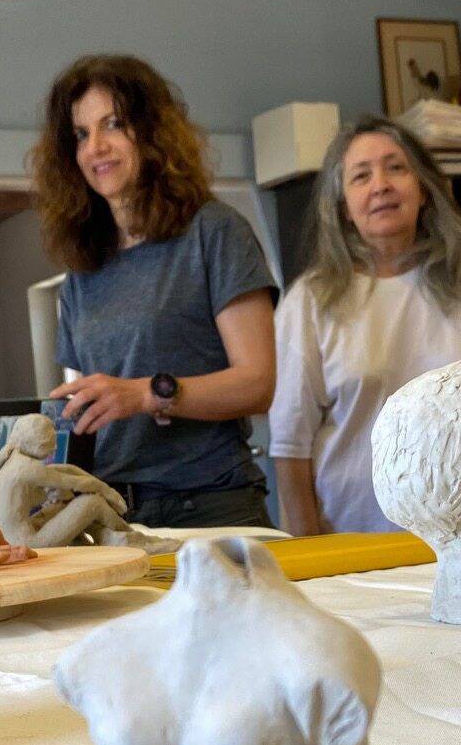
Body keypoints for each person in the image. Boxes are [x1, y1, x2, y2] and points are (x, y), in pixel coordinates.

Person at [31, 54, 278, 529]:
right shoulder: (84, 267)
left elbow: (258, 383)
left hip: (210, 504)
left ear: (153, 133)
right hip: (115, 513)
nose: (95, 147)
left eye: (114, 125)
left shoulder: (215, 232)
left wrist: (146, 394)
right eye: (81, 134)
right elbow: (95, 404)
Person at [269, 116, 461, 534]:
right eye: (361, 176)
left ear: (423, 191)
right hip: (351, 540)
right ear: (342, 206)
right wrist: (309, 556)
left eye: (395, 168)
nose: (380, 185)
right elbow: (290, 447)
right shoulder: (310, 302)